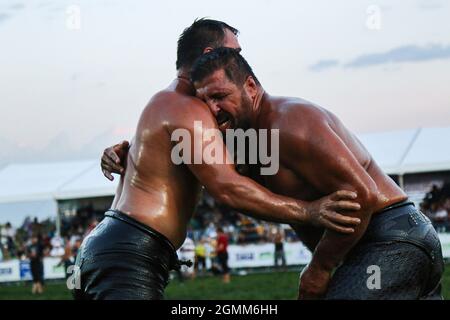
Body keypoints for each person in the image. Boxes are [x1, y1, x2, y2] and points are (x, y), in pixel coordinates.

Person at [91, 19, 361, 300]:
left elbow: (156, 154)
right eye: (236, 51)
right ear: (210, 54)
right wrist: (310, 211)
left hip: (120, 248)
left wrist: (119, 151)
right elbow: (227, 187)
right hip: (128, 253)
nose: (240, 60)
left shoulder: (172, 103)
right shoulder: (187, 109)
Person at [188, 47, 444, 299]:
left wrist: (319, 269)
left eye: (219, 96)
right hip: (391, 243)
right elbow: (237, 194)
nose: (212, 108)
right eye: (204, 101)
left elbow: (361, 196)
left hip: (391, 239)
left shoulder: (289, 122)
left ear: (251, 87)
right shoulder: (249, 139)